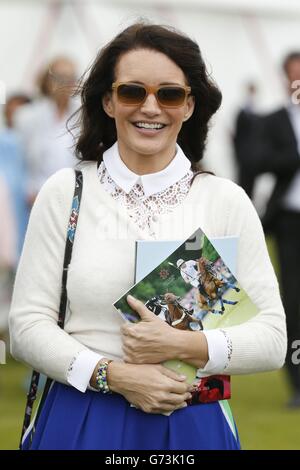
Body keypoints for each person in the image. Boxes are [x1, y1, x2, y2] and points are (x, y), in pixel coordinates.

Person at [9, 22, 287, 450]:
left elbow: (271, 338)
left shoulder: (225, 201)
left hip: (193, 420)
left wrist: (185, 343)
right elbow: (26, 324)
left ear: (190, 105)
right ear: (108, 100)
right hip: (82, 414)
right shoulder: (66, 193)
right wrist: (112, 374)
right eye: (132, 92)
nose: (150, 107)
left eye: (169, 94)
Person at [258, 51, 300, 408]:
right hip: (291, 221)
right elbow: (257, 160)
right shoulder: (274, 120)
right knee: (295, 304)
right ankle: (299, 382)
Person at [13, 57, 78, 207]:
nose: (65, 83)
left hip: (73, 197)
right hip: (36, 196)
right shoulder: (27, 117)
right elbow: (18, 161)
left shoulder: (84, 116)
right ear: (48, 81)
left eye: (70, 78)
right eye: (60, 78)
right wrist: (29, 190)